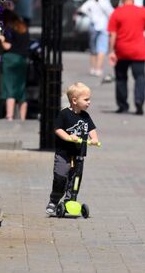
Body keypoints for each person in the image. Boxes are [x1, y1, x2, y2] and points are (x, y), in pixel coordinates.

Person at [45, 82, 99, 216]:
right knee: (61, 178)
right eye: (86, 99)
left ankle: (71, 200)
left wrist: (94, 139)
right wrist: (69, 137)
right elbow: (58, 129)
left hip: (79, 154)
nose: (89, 102)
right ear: (74, 100)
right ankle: (54, 201)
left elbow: (91, 129)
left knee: (75, 178)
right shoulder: (64, 114)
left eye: (89, 99)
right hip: (64, 153)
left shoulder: (85, 116)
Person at [107, 0, 145, 115]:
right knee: (140, 77)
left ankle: (123, 105)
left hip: (121, 50)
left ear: (122, 0)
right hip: (138, 50)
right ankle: (139, 100)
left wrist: (111, 51)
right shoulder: (143, 11)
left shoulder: (116, 12)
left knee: (121, 78)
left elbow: (112, 34)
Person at [0, 9, 31, 121]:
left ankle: (9, 116)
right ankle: (22, 118)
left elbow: (8, 46)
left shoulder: (9, 29)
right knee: (21, 88)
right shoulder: (23, 28)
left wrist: (2, 40)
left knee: (9, 87)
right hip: (22, 60)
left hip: (10, 60)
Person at [77, 0, 114, 79]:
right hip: (103, 26)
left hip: (93, 25)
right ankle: (98, 68)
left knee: (93, 48)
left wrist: (91, 15)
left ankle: (93, 68)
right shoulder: (105, 1)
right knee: (102, 48)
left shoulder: (91, 1)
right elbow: (111, 13)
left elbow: (82, 9)